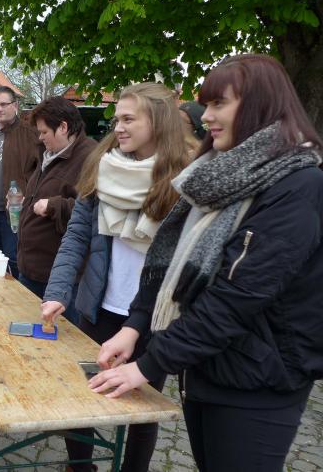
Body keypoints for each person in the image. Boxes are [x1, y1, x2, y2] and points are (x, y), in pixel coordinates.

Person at [90, 55, 323, 472]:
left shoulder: (297, 184)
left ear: (261, 105)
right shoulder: (217, 172)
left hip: (259, 381)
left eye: (219, 104)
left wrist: (149, 364)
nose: (207, 116)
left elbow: (236, 297)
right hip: (208, 366)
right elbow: (171, 264)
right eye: (206, 104)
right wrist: (135, 325)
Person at [41, 82, 190, 472]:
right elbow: (77, 236)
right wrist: (58, 291)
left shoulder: (186, 180)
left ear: (157, 121)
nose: (118, 128)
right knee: (81, 395)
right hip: (98, 306)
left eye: (128, 119)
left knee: (143, 411)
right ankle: (80, 467)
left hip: (152, 318)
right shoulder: (103, 167)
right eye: (116, 120)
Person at [16, 97, 96, 301]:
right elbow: (44, 191)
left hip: (59, 280)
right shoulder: (49, 153)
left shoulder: (91, 158)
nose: (40, 137)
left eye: (44, 132)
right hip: (31, 269)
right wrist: (26, 200)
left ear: (63, 127)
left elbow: (95, 209)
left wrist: (53, 206)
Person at [0, 86, 41, 278]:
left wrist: (29, 197)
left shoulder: (28, 134)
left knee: (13, 260)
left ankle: (18, 295)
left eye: (4, 104)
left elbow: (41, 170)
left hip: (12, 213)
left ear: (15, 106)